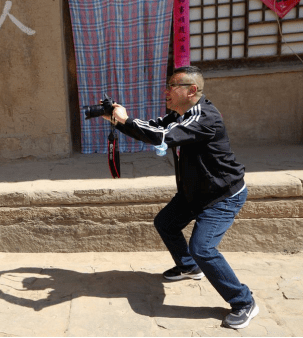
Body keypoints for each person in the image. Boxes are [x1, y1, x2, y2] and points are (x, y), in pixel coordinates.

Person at [103, 66, 258, 329]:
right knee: (166, 222)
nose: (166, 91)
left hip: (222, 195)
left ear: (192, 90)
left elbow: (162, 137)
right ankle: (188, 267)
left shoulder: (205, 118)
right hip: (194, 192)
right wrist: (118, 120)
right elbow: (152, 129)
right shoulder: (179, 114)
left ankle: (244, 301)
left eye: (172, 86)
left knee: (203, 249)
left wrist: (126, 120)